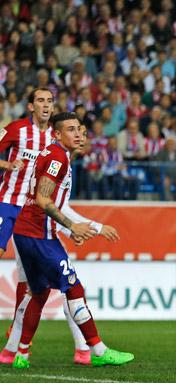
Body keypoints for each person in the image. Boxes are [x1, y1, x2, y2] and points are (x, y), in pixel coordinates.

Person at [8, 112, 133, 368]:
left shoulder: (56, 154)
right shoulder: (57, 158)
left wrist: (72, 227)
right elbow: (43, 200)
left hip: (26, 231)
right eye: (71, 130)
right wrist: (72, 226)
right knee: (74, 288)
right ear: (56, 134)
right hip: (39, 235)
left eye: (80, 130)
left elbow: (50, 201)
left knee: (39, 293)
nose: (78, 134)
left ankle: (21, 354)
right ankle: (98, 350)